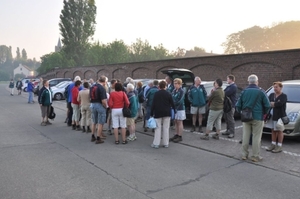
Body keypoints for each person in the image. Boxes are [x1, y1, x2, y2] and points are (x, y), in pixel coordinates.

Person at [236, 74, 271, 162]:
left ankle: (244, 154)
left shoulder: (244, 91)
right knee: (256, 137)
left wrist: (242, 111)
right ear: (257, 82)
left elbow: (238, 105)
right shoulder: (261, 91)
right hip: (258, 117)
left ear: (248, 82)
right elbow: (268, 105)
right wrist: (265, 114)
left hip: (246, 117)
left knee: (245, 136)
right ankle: (255, 156)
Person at [150, 80, 176, 148]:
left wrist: (151, 113)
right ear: (165, 86)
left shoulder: (156, 94)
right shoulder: (168, 94)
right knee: (166, 128)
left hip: (158, 112)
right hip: (167, 112)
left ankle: (156, 143)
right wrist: (174, 110)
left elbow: (153, 104)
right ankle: (166, 143)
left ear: (159, 86)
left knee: (157, 128)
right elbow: (172, 103)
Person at [266, 82, 287, 153]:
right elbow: (268, 102)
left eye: (276, 87)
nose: (275, 89)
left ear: (281, 87)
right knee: (273, 130)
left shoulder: (284, 96)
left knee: (279, 130)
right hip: (271, 116)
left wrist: (273, 104)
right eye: (274, 87)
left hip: (279, 117)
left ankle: (279, 146)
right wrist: (273, 104)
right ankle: (273, 144)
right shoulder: (272, 95)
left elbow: (280, 104)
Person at [90, 76, 108, 144]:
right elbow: (103, 100)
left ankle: (92, 136)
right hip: (99, 105)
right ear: (104, 82)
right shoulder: (102, 88)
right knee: (100, 122)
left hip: (92, 104)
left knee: (94, 121)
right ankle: (98, 138)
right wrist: (105, 106)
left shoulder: (92, 86)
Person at [170, 78, 186, 143]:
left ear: (179, 84)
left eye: (176, 83)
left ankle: (180, 136)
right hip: (175, 108)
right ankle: (176, 134)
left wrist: (174, 105)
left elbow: (180, 101)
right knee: (176, 121)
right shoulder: (174, 90)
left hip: (180, 108)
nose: (174, 85)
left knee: (179, 122)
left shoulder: (181, 91)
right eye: (174, 83)